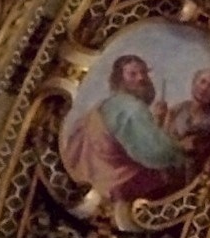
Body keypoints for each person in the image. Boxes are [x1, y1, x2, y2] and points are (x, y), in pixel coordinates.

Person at [60, 53, 197, 202]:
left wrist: (157, 120)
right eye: (132, 74)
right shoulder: (131, 109)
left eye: (144, 73)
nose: (141, 78)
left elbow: (127, 139)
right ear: (120, 78)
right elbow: (155, 153)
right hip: (116, 183)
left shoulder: (110, 103)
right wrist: (180, 149)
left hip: (91, 178)